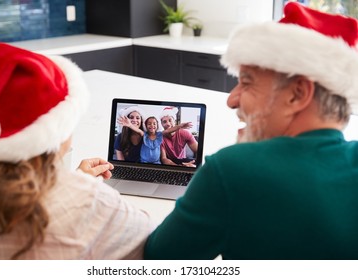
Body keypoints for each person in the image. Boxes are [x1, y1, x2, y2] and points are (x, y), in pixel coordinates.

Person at [144, 2, 358, 260]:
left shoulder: (232, 169)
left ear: (298, 94)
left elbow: (159, 262)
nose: (232, 99)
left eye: (246, 82)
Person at [0, 43, 155, 260]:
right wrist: (77, 185)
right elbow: (157, 246)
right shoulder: (89, 201)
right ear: (56, 131)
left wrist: (76, 178)